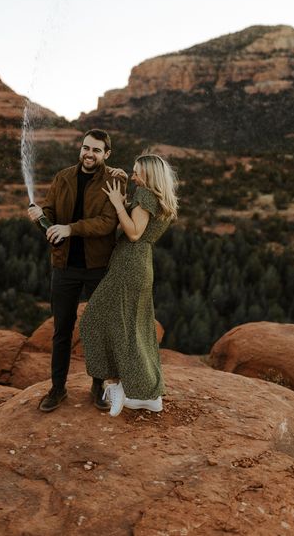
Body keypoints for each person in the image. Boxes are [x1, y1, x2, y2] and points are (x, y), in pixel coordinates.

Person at [27, 129, 126, 412]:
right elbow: (51, 215)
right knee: (62, 330)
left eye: (96, 150)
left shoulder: (114, 179)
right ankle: (57, 388)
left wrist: (70, 229)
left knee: (97, 329)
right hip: (64, 267)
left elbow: (107, 223)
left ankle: (98, 386)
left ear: (107, 154)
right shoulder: (63, 177)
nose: (89, 154)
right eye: (85, 148)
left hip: (98, 268)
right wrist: (40, 219)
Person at [79, 154, 178, 417]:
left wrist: (117, 204)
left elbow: (133, 233)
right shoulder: (159, 198)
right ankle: (147, 394)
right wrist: (125, 204)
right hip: (141, 265)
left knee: (92, 320)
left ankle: (117, 386)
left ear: (148, 175)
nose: (133, 176)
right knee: (133, 326)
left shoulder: (145, 196)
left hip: (129, 265)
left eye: (137, 172)